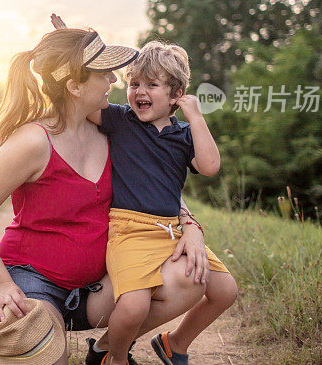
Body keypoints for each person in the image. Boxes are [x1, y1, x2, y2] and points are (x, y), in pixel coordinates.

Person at [0, 27, 210, 365]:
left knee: (189, 278)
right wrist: (3, 285)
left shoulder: (110, 132)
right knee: (34, 358)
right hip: (34, 283)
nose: (113, 81)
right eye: (103, 73)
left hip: (97, 289)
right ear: (75, 86)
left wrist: (190, 224)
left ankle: (106, 351)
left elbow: (155, 185)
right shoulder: (33, 141)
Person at [84, 40, 238, 365]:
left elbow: (209, 166)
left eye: (151, 85)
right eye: (134, 83)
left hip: (170, 231)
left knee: (225, 291)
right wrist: (79, 56)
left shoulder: (183, 134)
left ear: (175, 95)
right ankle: (113, 357)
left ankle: (175, 343)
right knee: (133, 306)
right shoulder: (121, 120)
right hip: (129, 230)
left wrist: (195, 115)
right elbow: (83, 103)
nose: (139, 91)